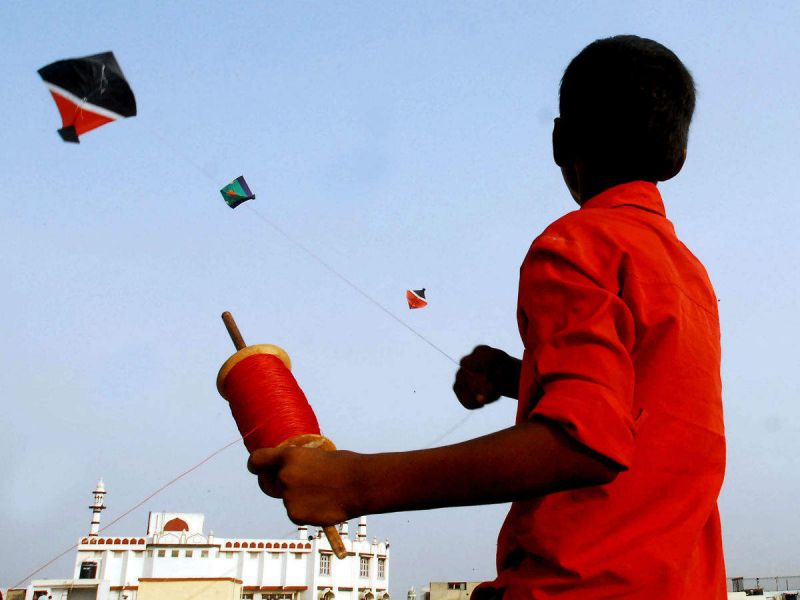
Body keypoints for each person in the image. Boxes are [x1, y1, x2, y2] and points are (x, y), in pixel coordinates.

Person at [248, 35, 726, 599]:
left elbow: (586, 444)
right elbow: (642, 409)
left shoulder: (577, 243)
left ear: (559, 140)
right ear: (677, 158)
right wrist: (515, 378)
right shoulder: (688, 274)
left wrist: (353, 483)